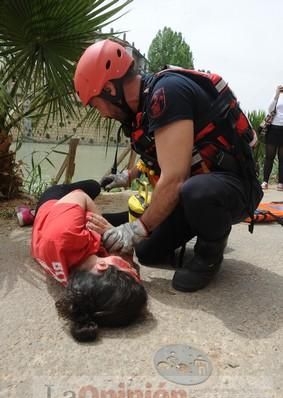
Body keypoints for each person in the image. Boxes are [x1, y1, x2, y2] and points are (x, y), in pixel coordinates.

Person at [74, 39, 263, 293]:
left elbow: (175, 178)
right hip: (193, 193)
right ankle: (195, 231)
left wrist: (136, 228)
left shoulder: (167, 93)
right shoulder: (143, 109)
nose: (103, 114)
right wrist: (125, 178)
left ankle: (209, 254)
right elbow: (159, 159)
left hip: (232, 188)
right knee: (147, 252)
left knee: (194, 191)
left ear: (109, 89)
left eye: (97, 105)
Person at [31, 179, 147, 342]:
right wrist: (114, 239)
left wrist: (111, 232)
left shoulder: (67, 234)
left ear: (102, 264)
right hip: (56, 230)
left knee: (93, 186)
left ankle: (30, 212)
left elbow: (80, 196)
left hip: (52, 204)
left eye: (131, 270)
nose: (134, 267)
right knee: (120, 223)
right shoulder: (84, 287)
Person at [261, 85, 283, 191]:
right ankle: (265, 181)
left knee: (282, 158)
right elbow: (270, 109)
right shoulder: (277, 96)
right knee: (269, 156)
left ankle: (281, 183)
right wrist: (277, 94)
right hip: (273, 128)